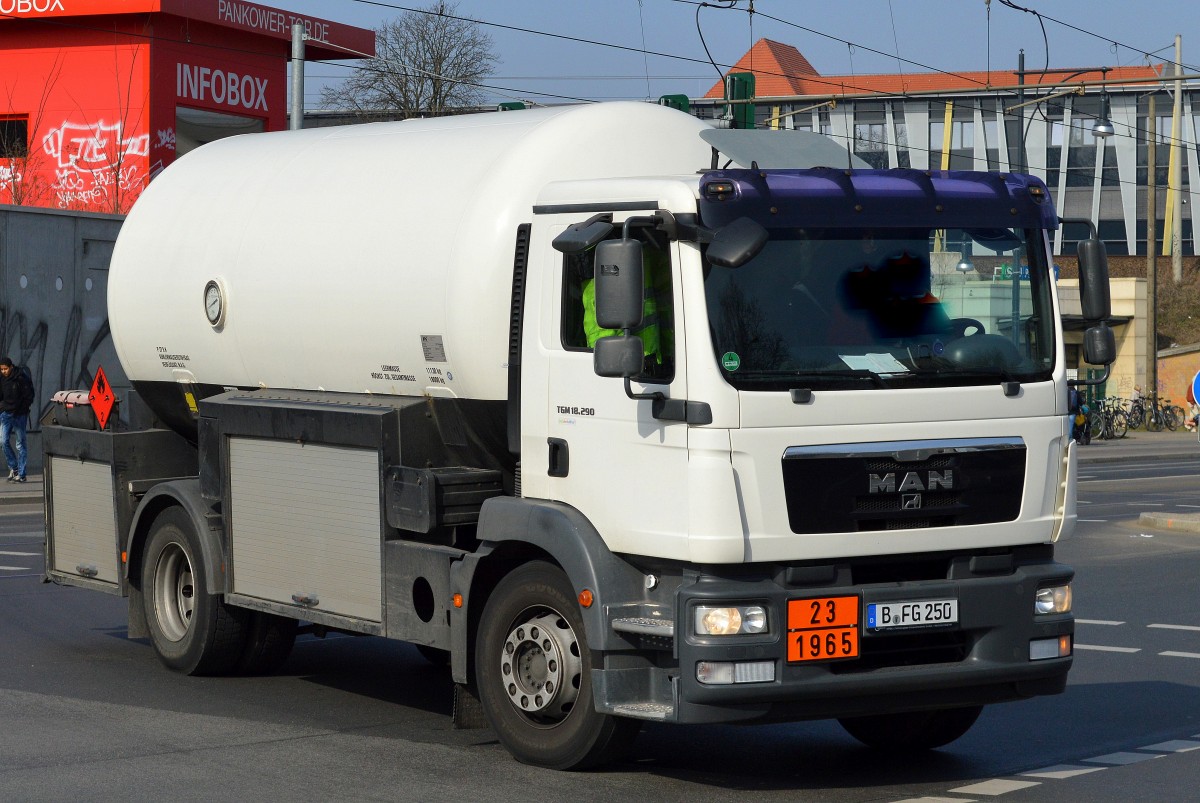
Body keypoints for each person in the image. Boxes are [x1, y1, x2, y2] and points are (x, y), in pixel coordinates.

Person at [0, 357, 34, 483]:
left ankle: (22, 473)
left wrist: (22, 408)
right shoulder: (2, 378)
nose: (3, 371)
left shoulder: (20, 377)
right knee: (3, 441)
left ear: (11, 367)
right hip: (6, 414)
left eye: (5, 369)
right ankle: (14, 468)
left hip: (19, 415)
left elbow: (29, 396)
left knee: (20, 444)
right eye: (1, 369)